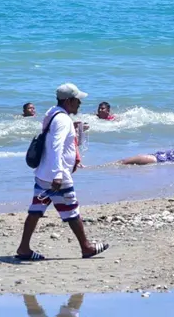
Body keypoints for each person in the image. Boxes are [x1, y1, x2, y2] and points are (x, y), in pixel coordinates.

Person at [15, 84, 108, 262]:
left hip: (44, 173)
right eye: (77, 100)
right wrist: (58, 174)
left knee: (36, 209)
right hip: (57, 176)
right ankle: (86, 247)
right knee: (71, 210)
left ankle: (24, 248)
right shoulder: (62, 120)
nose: (80, 103)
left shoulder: (53, 113)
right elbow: (56, 146)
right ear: (68, 101)